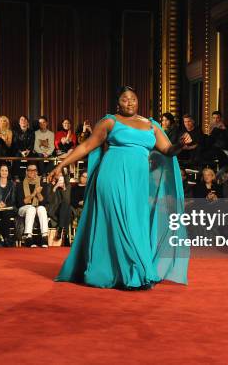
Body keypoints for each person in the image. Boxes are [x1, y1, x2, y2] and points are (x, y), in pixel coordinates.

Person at [49, 86, 191, 289]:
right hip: (111, 177)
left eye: (133, 99)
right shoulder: (110, 121)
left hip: (139, 183)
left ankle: (129, 271)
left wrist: (181, 144)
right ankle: (131, 274)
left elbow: (168, 150)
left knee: (135, 222)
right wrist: (60, 165)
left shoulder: (150, 125)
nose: (129, 102)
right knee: (120, 220)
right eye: (125, 99)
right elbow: (86, 146)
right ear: (118, 103)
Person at [16, 163, 50, 247]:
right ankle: (28, 237)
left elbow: (43, 202)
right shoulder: (20, 184)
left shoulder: (42, 184)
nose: (32, 172)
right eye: (30, 170)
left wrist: (38, 193)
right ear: (26, 172)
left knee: (42, 208)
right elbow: (22, 202)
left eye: (34, 170)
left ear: (37, 172)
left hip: (37, 207)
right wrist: (34, 193)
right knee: (31, 208)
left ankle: (44, 237)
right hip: (23, 209)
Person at [0, 164, 17, 247]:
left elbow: (13, 200)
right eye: (2, 170)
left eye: (6, 170)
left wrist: (5, 204)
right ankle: (7, 238)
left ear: (8, 172)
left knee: (5, 215)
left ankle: (2, 239)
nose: (4, 172)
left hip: (9, 208)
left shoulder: (12, 185)